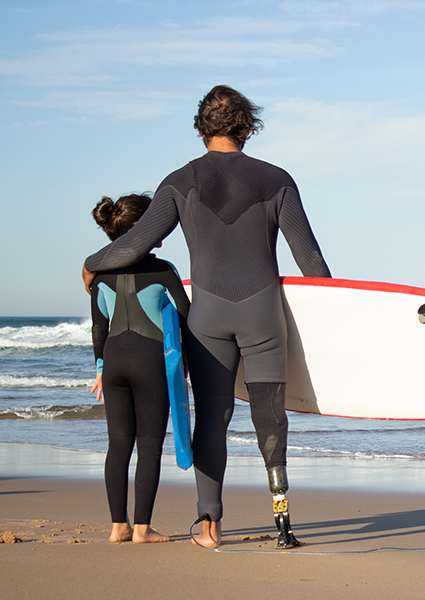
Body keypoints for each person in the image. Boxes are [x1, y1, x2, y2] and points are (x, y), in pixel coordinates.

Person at [82, 85, 332, 549]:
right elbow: (310, 260)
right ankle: (284, 524)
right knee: (270, 418)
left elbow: (135, 245)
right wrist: (333, 324)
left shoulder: (180, 180)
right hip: (264, 318)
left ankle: (209, 525)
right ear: (246, 126)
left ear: (201, 129)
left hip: (208, 322)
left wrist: (93, 261)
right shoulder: (277, 179)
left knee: (212, 418)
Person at [89, 193, 191, 543]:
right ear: (139, 228)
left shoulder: (100, 273)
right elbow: (186, 318)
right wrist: (186, 365)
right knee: (148, 445)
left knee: (118, 445)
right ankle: (142, 529)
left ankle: (118, 527)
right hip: (149, 362)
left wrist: (101, 367)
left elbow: (99, 327)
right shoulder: (163, 270)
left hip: (114, 362)